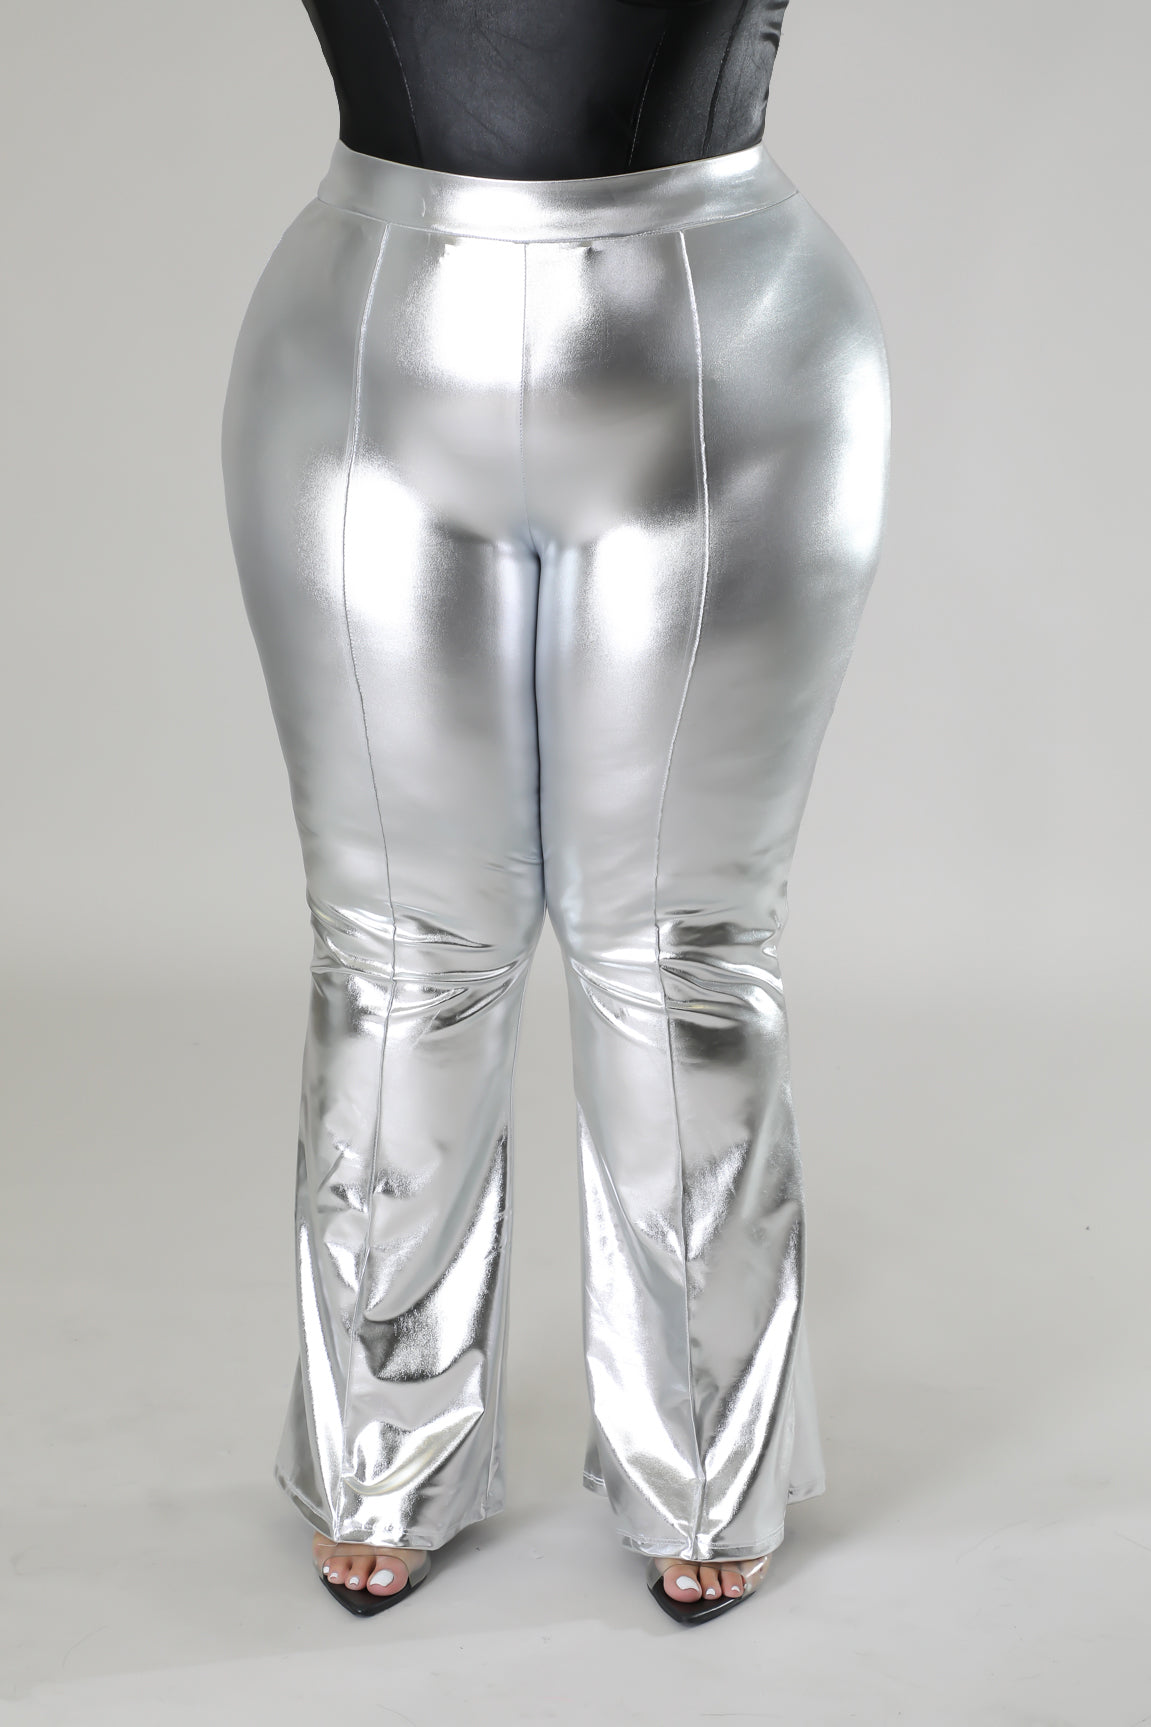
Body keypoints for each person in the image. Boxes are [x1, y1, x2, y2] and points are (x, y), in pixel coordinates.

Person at [222, 0, 889, 1628]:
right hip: (376, 346)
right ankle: (384, 1456)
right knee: (399, 953)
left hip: (713, 344)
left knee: (679, 952)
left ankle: (705, 1463)